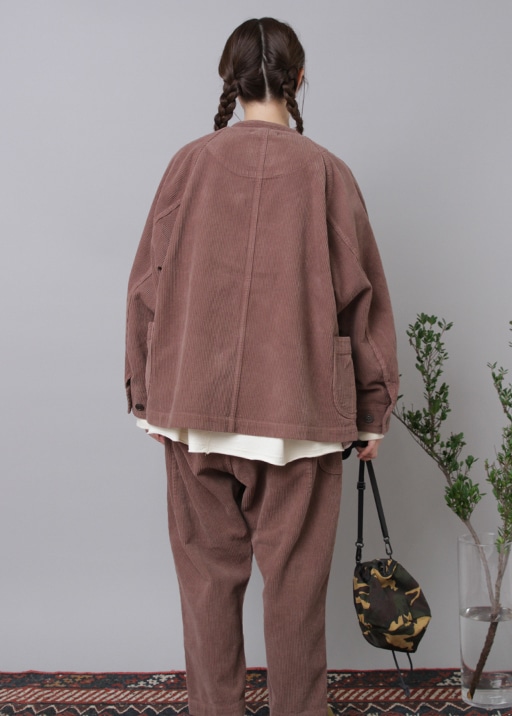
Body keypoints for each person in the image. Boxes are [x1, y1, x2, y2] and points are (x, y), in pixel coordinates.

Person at [125, 17, 398, 716]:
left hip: (195, 410)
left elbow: (147, 283)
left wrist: (146, 395)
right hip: (298, 413)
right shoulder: (326, 172)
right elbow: (362, 295)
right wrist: (372, 410)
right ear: (301, 79)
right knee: (296, 598)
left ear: (231, 81)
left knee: (206, 590)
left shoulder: (188, 164)